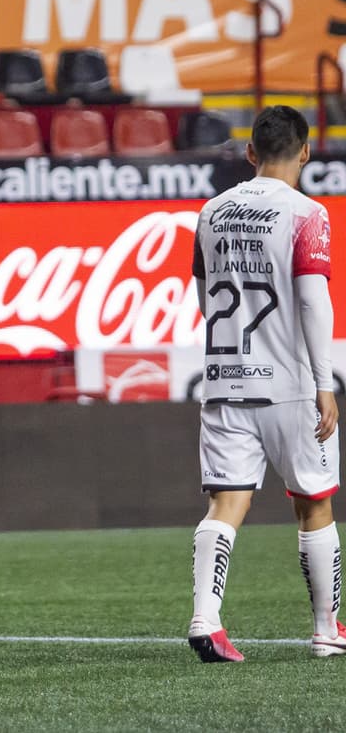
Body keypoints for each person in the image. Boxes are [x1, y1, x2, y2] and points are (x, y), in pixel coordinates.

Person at [188, 105, 341, 662]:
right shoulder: (306, 213)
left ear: (250, 153)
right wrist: (325, 384)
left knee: (226, 503)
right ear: (305, 152)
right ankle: (327, 628)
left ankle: (206, 619)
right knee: (315, 503)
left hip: (225, 380)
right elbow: (310, 298)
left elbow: (203, 291)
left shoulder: (211, 212)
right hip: (292, 385)